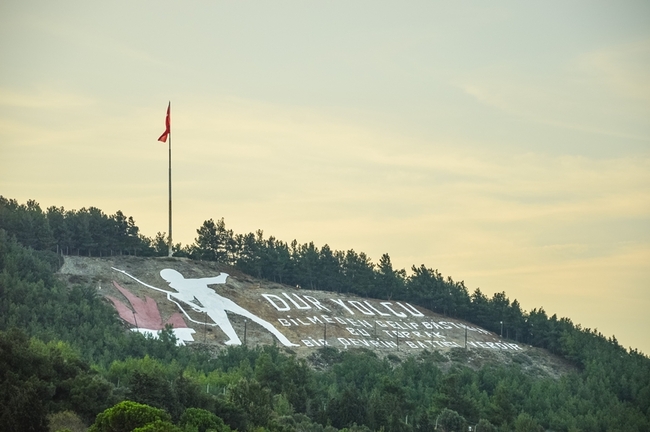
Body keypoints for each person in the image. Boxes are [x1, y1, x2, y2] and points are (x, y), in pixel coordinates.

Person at [159, 269, 299, 347]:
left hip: (212, 304)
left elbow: (190, 298)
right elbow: (218, 280)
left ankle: (236, 339)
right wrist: (176, 295)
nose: (168, 282)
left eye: (168, 279)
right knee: (251, 317)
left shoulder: (184, 284)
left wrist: (176, 294)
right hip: (217, 300)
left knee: (227, 322)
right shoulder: (190, 282)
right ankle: (284, 340)